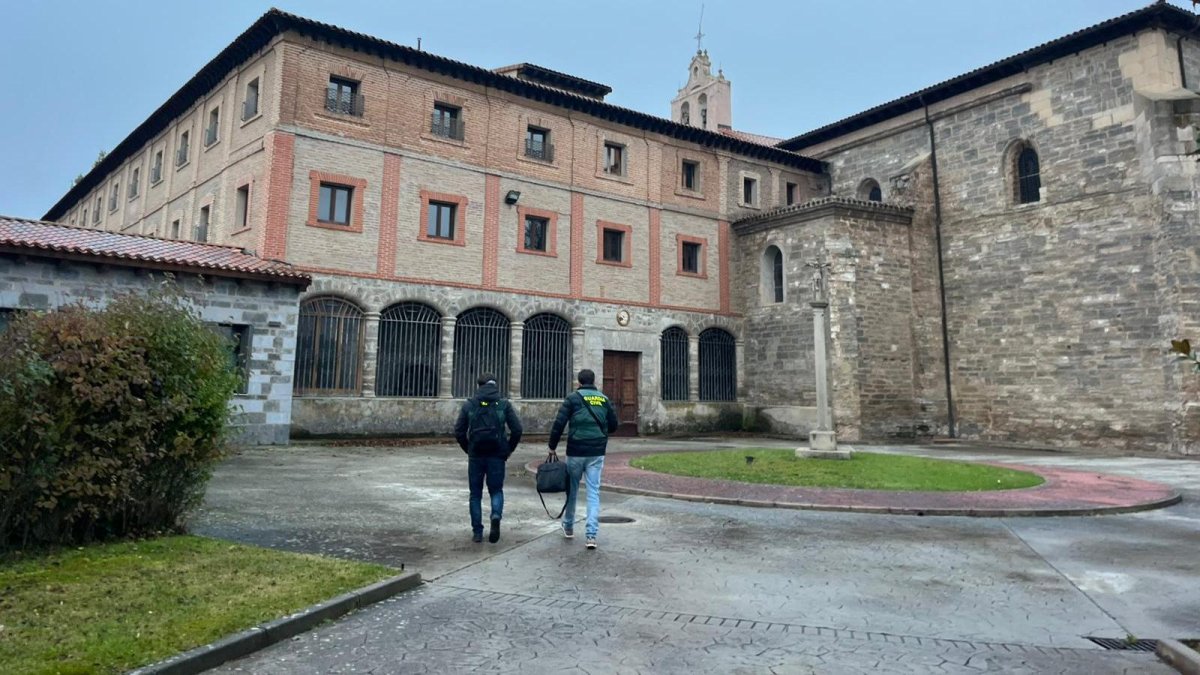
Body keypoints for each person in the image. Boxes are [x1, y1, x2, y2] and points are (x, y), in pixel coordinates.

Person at [547, 369, 619, 549]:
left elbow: (559, 424)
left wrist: (552, 446)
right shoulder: (603, 399)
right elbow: (614, 425)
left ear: (579, 382)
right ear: (594, 381)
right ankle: (591, 535)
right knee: (593, 492)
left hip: (576, 450)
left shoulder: (572, 398)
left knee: (572, 489)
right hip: (596, 451)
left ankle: (569, 526)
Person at [454, 373, 522, 544]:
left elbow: (459, 431)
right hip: (497, 455)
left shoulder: (470, 404)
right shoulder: (503, 404)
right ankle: (496, 515)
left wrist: (468, 448)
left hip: (476, 455)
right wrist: (508, 449)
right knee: (496, 490)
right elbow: (517, 430)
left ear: (479, 385)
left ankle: (477, 532)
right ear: (495, 385)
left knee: (475, 494)